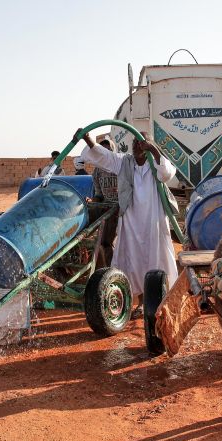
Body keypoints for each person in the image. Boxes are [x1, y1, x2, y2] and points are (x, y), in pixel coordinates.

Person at [75, 128, 178, 310]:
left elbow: (166, 174)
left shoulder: (157, 162)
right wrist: (88, 139)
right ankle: (141, 303)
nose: (137, 145)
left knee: (156, 260)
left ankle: (157, 302)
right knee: (134, 261)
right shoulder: (124, 162)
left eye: (141, 142)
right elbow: (105, 156)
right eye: (135, 142)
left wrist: (153, 150)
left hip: (154, 220)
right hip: (131, 221)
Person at [84, 139, 119, 267]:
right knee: (105, 242)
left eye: (107, 150)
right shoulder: (97, 172)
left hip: (123, 209)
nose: (104, 154)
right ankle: (109, 269)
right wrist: (92, 201)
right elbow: (99, 194)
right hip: (108, 210)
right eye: (102, 150)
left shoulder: (119, 166)